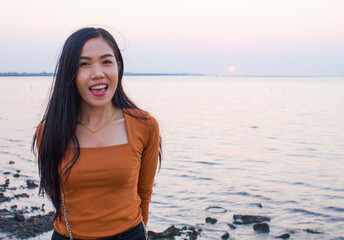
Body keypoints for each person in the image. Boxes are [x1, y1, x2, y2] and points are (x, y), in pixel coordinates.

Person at [33, 27, 161, 240]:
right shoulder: (49, 131)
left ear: (118, 66)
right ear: (69, 73)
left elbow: (144, 194)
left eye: (106, 61)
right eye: (84, 64)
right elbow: (57, 195)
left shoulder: (145, 125)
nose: (98, 73)